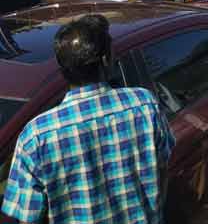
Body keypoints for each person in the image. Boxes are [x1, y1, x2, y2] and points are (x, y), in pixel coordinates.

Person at [2, 14, 175, 223]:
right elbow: (163, 170)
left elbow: (23, 216)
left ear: (63, 68)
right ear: (105, 60)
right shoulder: (145, 105)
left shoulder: (36, 137)